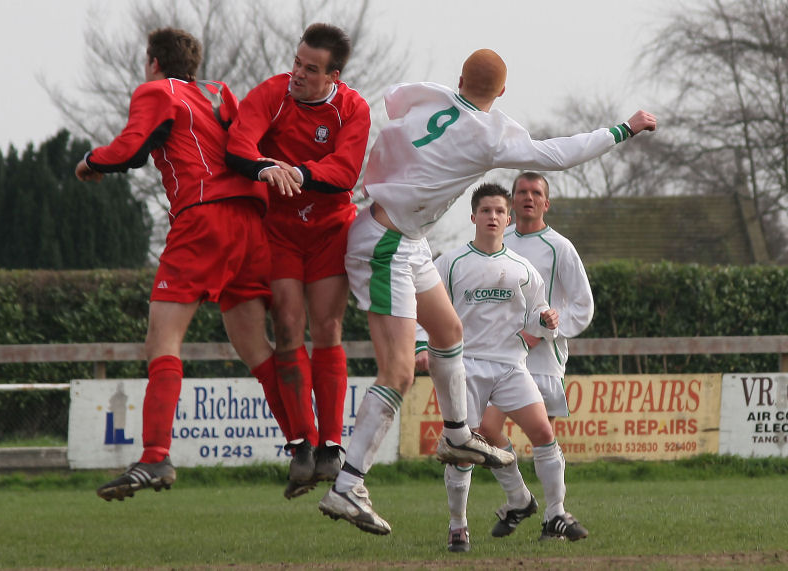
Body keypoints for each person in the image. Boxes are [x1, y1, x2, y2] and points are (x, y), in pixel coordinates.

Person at [318, 48, 656, 536]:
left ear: (459, 78)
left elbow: (395, 106)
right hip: (387, 243)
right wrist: (622, 129)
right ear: (501, 92)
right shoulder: (491, 133)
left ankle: (457, 436)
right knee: (397, 371)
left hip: (407, 238)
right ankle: (348, 484)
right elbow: (558, 154)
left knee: (448, 329)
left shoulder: (432, 96)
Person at [76, 27, 297, 501]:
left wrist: (92, 161)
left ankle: (155, 455)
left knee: (163, 340)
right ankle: (305, 445)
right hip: (251, 222)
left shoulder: (156, 91)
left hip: (203, 220)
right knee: (257, 348)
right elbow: (246, 143)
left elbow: (132, 149)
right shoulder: (218, 92)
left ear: (154, 62)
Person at [226, 23, 371, 499]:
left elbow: (345, 171)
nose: (299, 73)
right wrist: (266, 167)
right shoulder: (272, 93)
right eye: (297, 61)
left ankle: (331, 445)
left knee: (326, 328)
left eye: (311, 68)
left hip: (330, 229)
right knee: (287, 325)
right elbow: (238, 145)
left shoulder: (353, 108)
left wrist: (300, 171)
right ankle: (301, 444)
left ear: (334, 73)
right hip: (282, 231)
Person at [417, 183, 581, 552]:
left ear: (508, 219)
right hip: (465, 367)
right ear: (473, 217)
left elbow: (538, 313)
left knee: (542, 430)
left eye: (499, 211)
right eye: (486, 211)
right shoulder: (451, 262)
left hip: (510, 365)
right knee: (464, 449)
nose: (493, 217)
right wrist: (420, 345)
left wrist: (547, 319)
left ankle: (555, 510)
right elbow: (422, 306)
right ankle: (458, 526)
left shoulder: (523, 268)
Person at [478, 171, 595, 541]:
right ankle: (519, 499)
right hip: (504, 356)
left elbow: (583, 305)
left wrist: (551, 328)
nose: (528, 197)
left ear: (547, 202)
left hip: (545, 359)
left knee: (543, 436)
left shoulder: (560, 247)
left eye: (536, 193)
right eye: (522, 192)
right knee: (487, 429)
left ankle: (553, 518)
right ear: (512, 201)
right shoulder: (499, 241)